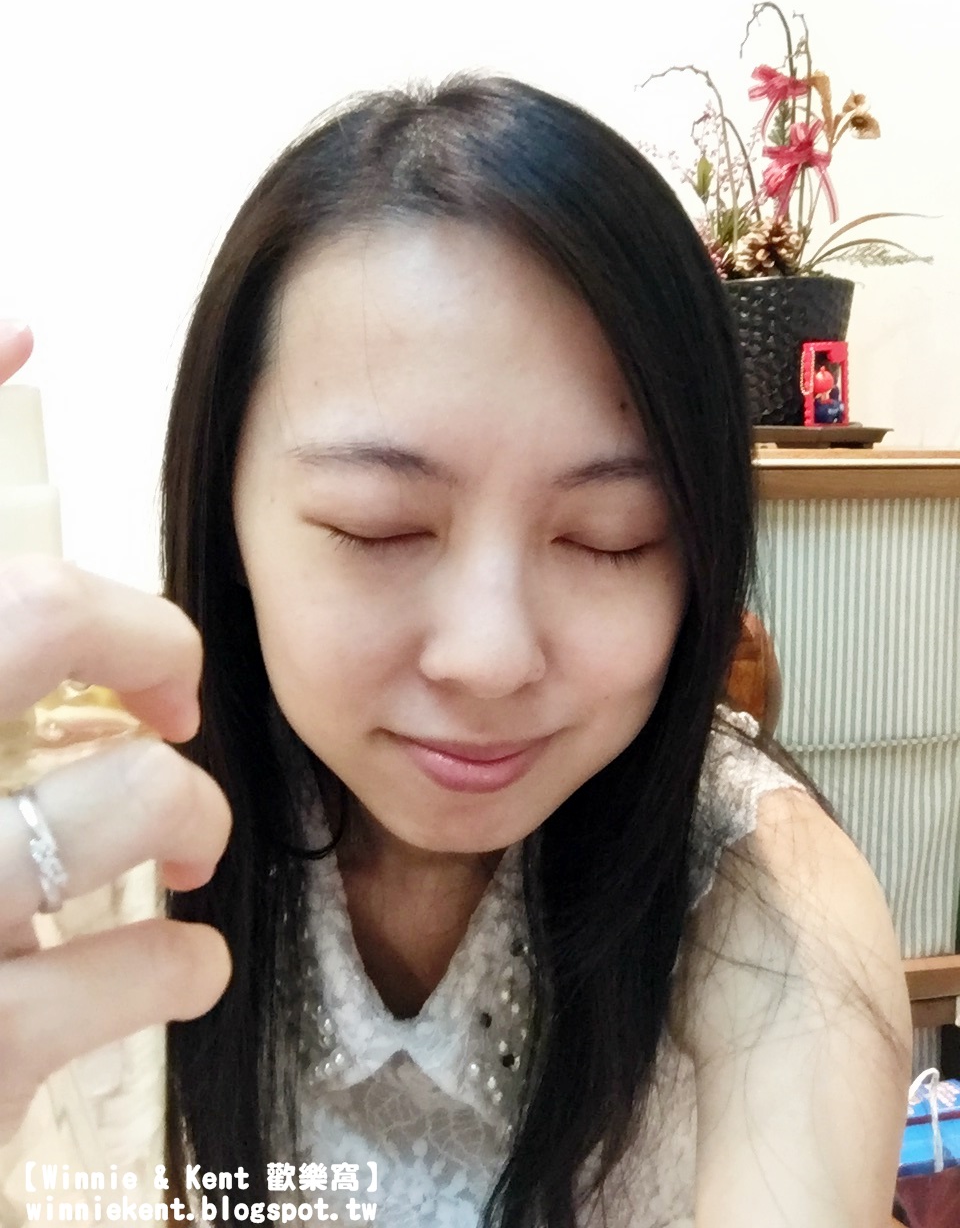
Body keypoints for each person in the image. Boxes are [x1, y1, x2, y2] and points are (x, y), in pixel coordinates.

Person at [0, 75, 912, 1227]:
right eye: (379, 527)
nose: (489, 657)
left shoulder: (759, 896)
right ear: (228, 516)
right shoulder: (92, 837)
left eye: (609, 536)